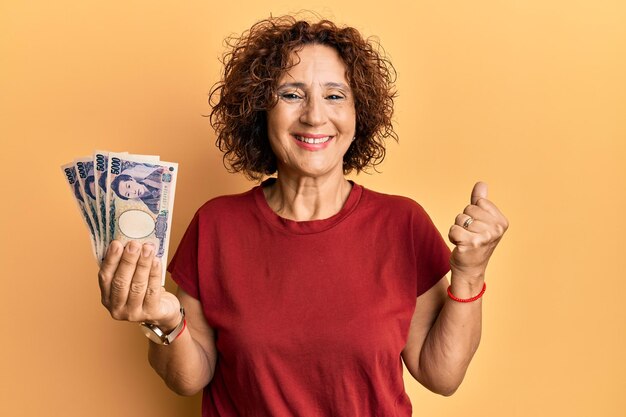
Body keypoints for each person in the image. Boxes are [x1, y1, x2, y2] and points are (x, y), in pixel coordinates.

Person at [97, 16, 508, 417]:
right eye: (292, 94)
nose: (314, 115)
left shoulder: (403, 224)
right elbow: (190, 378)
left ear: (357, 112)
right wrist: (165, 321)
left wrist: (470, 274)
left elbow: (442, 375)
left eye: (334, 95)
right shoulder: (216, 225)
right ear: (261, 109)